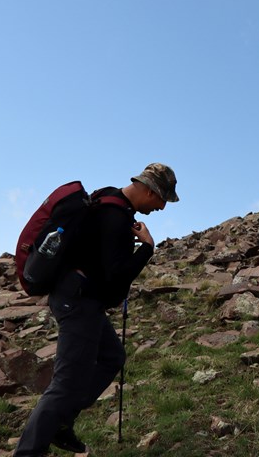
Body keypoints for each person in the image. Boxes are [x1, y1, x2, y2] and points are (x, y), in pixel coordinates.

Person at [14, 163, 179, 457]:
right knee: (65, 384)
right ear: (148, 189)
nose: (163, 207)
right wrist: (146, 248)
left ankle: (61, 423)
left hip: (78, 297)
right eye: (162, 199)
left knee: (112, 356)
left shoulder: (109, 200)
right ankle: (29, 451)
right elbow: (115, 274)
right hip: (79, 301)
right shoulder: (115, 216)